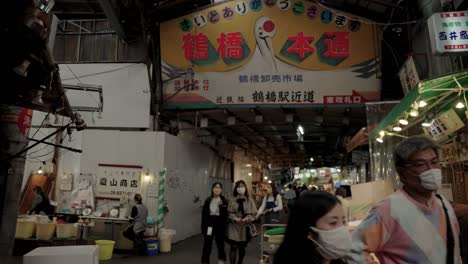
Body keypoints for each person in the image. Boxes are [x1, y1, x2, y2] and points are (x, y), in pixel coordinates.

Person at [347, 136, 463, 263]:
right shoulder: (388, 210)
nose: (431, 170)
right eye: (420, 164)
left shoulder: (443, 204)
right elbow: (352, 251)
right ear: (402, 173)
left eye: (434, 162)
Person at [275, 191, 351, 264]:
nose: (341, 229)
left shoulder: (338, 260)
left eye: (343, 222)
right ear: (309, 230)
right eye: (333, 223)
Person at [227, 180, 257, 264]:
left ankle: (240, 262)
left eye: (242, 186)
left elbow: (254, 213)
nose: (241, 188)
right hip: (233, 226)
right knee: (233, 247)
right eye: (239, 187)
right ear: (236, 188)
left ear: (245, 188)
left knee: (242, 247)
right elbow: (229, 213)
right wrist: (235, 218)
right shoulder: (232, 199)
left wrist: (247, 218)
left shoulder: (250, 200)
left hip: (245, 227)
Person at [201, 182, 229, 264]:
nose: (217, 189)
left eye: (219, 187)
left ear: (221, 189)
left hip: (220, 225)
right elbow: (204, 216)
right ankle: (205, 261)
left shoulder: (224, 201)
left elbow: (226, 215)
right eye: (215, 187)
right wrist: (203, 228)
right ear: (212, 189)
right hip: (209, 225)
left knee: (220, 244)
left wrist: (221, 207)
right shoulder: (208, 200)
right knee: (207, 243)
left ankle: (221, 260)